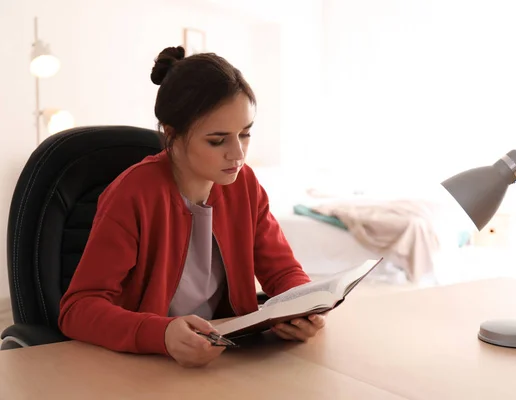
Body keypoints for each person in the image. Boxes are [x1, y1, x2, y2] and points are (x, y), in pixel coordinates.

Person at [58, 46, 326, 368]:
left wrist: (303, 306)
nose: (238, 155)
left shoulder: (245, 185)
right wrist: (162, 334)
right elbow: (78, 308)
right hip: (142, 366)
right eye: (217, 140)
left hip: (224, 358)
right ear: (172, 134)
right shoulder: (132, 194)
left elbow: (283, 272)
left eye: (245, 134)